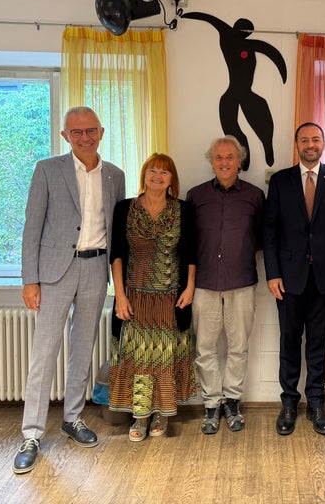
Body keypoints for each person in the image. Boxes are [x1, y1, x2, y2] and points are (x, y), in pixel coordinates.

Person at [13, 106, 126, 474]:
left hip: (96, 269)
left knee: (82, 349)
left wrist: (119, 280)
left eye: (90, 130)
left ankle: (72, 419)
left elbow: (117, 230)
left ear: (101, 132)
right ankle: (31, 433)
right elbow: (32, 227)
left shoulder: (115, 175)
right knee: (44, 353)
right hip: (54, 273)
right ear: (65, 136)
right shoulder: (47, 170)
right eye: (76, 132)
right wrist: (30, 280)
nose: (84, 137)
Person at [264, 122, 325, 436]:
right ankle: (289, 403)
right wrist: (273, 273)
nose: (310, 144)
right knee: (289, 343)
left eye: (315, 139)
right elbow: (270, 230)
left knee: (318, 345)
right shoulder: (281, 181)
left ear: (324, 143)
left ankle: (316, 403)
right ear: (297, 145)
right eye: (304, 140)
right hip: (288, 280)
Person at [107, 153, 197, 442]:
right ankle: (140, 415)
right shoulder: (124, 209)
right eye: (152, 171)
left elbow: (191, 252)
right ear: (144, 175)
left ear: (172, 180)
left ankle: (162, 413)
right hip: (135, 297)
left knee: (164, 356)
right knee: (139, 358)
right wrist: (120, 296)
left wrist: (190, 288)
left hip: (171, 298)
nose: (157, 176)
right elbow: (117, 254)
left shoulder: (183, 210)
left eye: (164, 172)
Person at [186, 136, 265, 435]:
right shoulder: (196, 196)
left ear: (239, 161)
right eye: (218, 157)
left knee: (238, 347)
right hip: (204, 283)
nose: (224, 162)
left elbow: (262, 238)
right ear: (211, 161)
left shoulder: (255, 196)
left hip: (241, 281)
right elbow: (187, 240)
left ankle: (232, 401)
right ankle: (211, 404)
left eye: (230, 157)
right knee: (204, 348)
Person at [181, 12, 287, 170]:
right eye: (245, 29)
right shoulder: (227, 37)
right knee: (231, 126)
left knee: (260, 115)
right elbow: (213, 20)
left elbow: (272, 53)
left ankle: (267, 145)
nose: (246, 32)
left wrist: (282, 72)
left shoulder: (249, 44)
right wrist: (186, 15)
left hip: (245, 92)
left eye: (248, 30)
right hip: (233, 91)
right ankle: (244, 158)